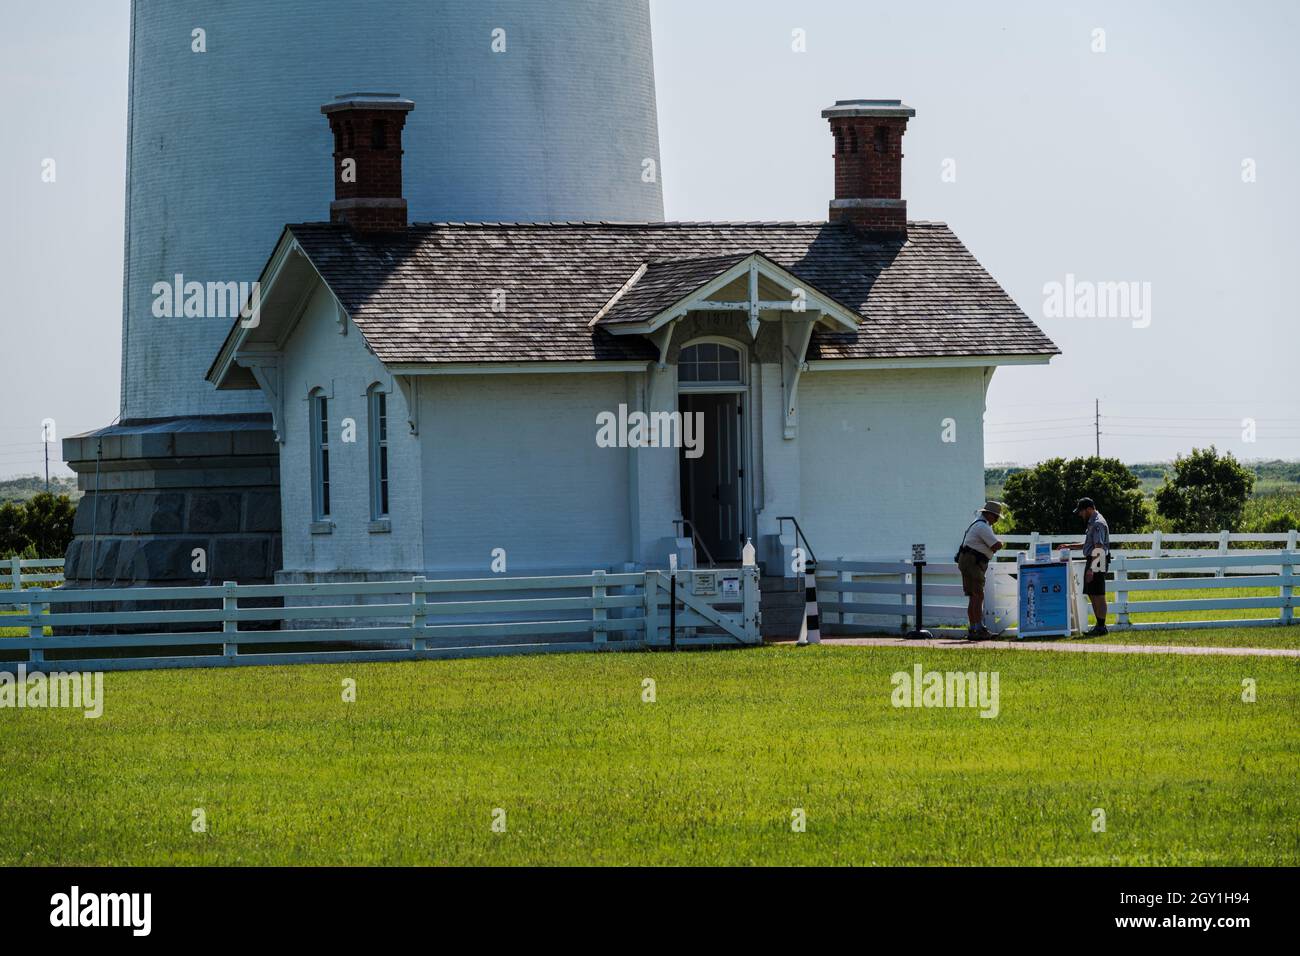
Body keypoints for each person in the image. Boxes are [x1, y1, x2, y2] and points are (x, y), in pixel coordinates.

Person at [955, 500, 1005, 640]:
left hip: (968, 560)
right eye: (996, 516)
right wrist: (1001, 543)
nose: (996, 519)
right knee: (978, 595)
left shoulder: (977, 524)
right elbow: (995, 545)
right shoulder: (983, 527)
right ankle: (978, 629)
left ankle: (974, 628)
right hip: (973, 562)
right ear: (988, 514)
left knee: (973, 596)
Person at [1066, 497, 1110, 637]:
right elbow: (1089, 544)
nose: (1080, 514)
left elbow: (1099, 547)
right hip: (1095, 558)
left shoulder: (1097, 523)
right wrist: (1069, 546)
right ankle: (1099, 625)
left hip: (1098, 558)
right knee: (1092, 592)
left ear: (1089, 509)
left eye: (1081, 511)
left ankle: (1101, 626)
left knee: (1098, 593)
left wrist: (1092, 568)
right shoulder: (1093, 522)